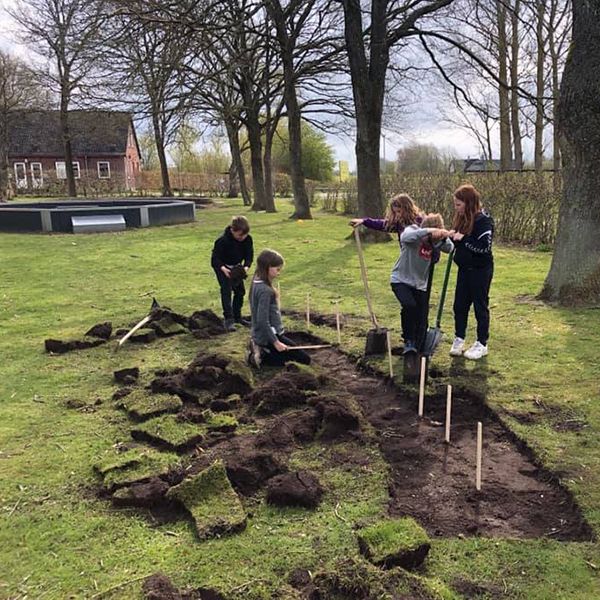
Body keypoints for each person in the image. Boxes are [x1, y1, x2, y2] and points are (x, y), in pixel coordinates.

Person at [390, 214, 454, 353]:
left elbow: (450, 248)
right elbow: (405, 236)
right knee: (409, 305)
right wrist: (428, 231)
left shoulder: (436, 241)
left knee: (421, 315)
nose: (430, 241)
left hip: (419, 285)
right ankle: (409, 341)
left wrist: (442, 236)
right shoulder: (412, 232)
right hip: (400, 280)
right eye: (430, 236)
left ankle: (418, 346)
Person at [448, 184, 494, 360]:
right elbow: (461, 244)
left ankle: (482, 344)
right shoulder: (462, 219)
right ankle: (459, 338)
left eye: (458, 204)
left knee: (480, 306)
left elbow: (484, 248)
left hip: (480, 270)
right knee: (459, 305)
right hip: (464, 269)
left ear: (468, 203)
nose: (456, 208)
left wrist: (464, 239)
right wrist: (454, 237)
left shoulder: (484, 220)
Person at [247, 249, 310, 368]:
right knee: (305, 359)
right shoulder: (265, 291)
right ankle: (262, 354)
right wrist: (276, 342)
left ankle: (263, 350)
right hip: (269, 336)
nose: (279, 273)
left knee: (287, 356)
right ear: (268, 267)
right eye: (277, 269)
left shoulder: (256, 280)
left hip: (264, 333)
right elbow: (262, 320)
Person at [211, 215, 254, 332]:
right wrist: (224, 269)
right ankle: (228, 319)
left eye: (244, 235)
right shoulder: (221, 241)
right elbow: (215, 259)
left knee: (240, 292)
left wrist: (245, 268)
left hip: (237, 268)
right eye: (240, 235)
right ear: (232, 230)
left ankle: (237, 317)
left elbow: (249, 256)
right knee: (226, 290)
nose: (242, 238)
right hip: (222, 268)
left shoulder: (248, 239)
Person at [349, 193, 422, 242]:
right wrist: (364, 221)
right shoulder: (398, 223)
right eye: (395, 212)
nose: (397, 215)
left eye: (399, 211)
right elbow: (381, 224)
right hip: (406, 259)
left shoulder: (420, 222)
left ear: (407, 209)